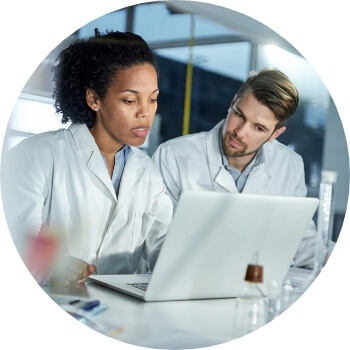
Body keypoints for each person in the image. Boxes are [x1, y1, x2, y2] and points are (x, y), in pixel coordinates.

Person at [1, 29, 173, 286]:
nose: (145, 113)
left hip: (120, 314)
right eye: (129, 100)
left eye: (153, 99)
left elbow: (167, 250)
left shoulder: (148, 174)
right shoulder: (36, 156)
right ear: (94, 99)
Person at [153, 67, 326, 268]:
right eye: (239, 115)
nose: (240, 132)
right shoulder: (174, 155)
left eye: (258, 128)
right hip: (187, 281)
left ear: (275, 134)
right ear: (233, 102)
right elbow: (158, 241)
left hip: (256, 285)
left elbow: (302, 240)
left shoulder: (290, 165)